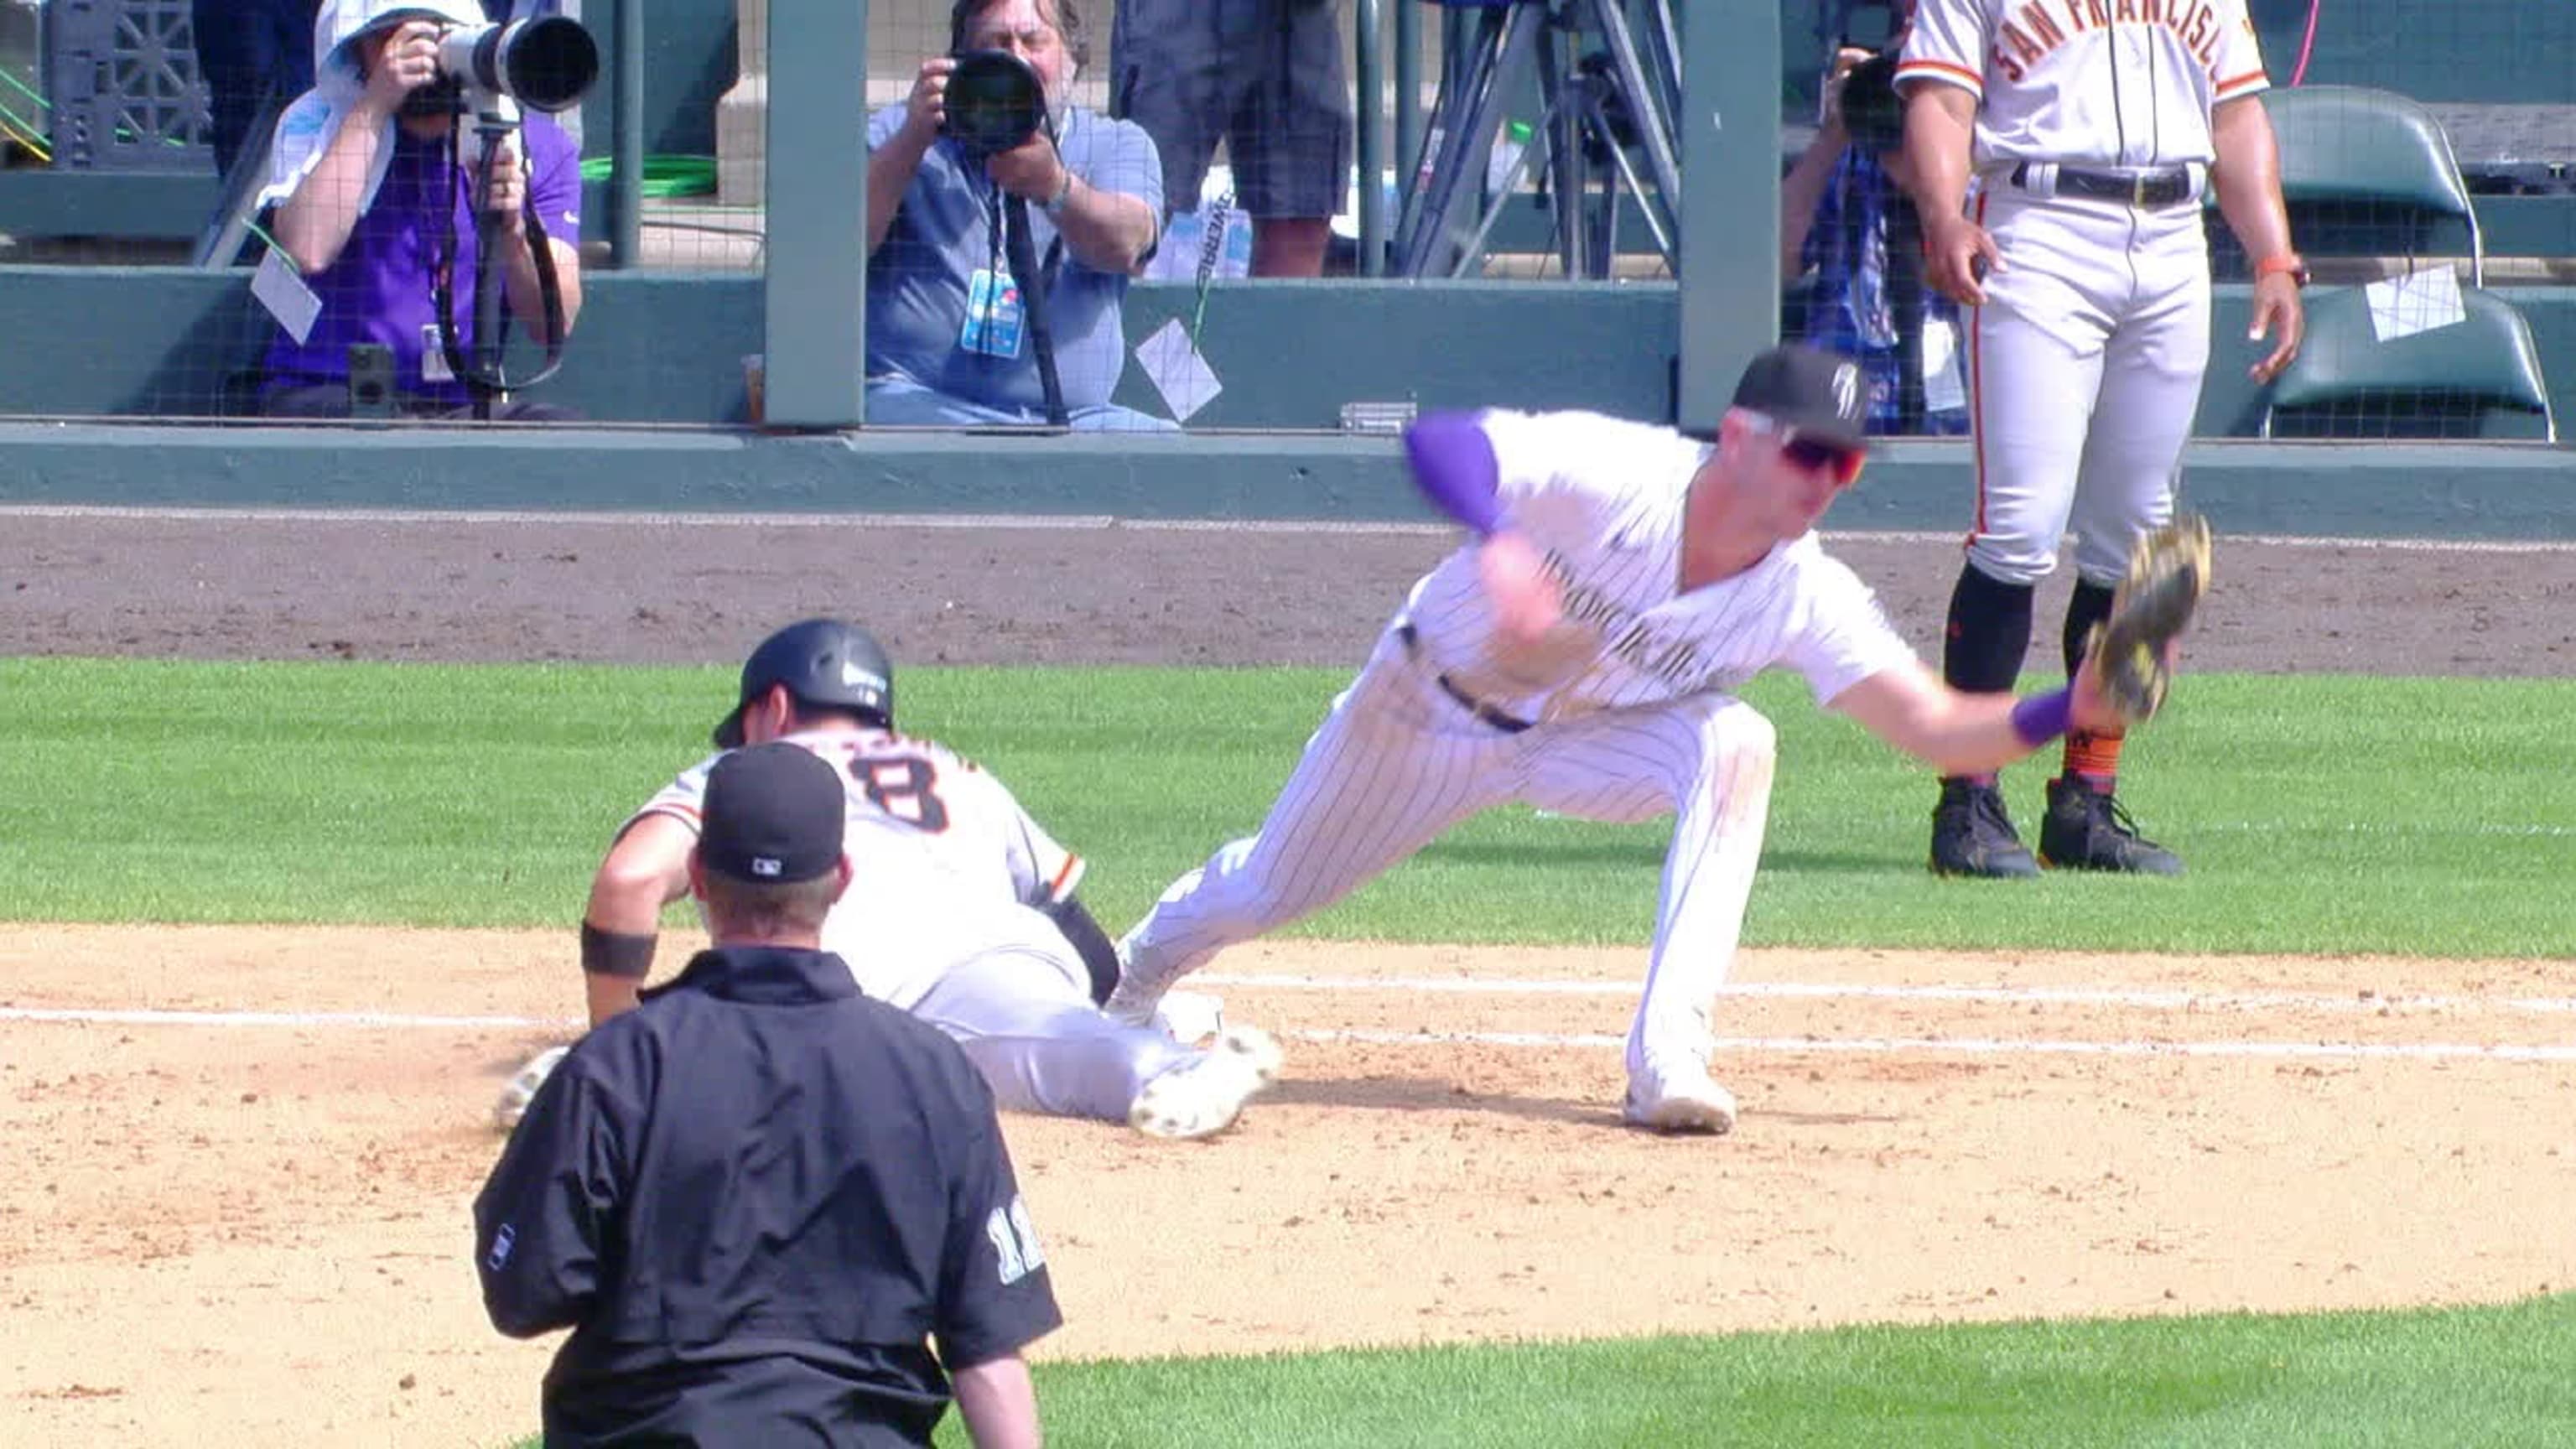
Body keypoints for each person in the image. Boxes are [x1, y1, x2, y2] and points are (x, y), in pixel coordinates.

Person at [1104, 344, 2165, 1136]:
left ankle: (1669, 1056)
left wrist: (2062, 711)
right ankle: (1129, 978)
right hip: (1425, 712)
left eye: (1844, 467)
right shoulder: (1622, 471)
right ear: (1742, 437)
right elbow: (1442, 443)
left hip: (1586, 741)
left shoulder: (1805, 593)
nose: (1825, 480)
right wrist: (1505, 541)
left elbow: (1935, 729)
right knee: (1265, 892)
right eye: (1809, 453)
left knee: (1736, 742)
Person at [497, 617, 1281, 1141]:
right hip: (1007, 955)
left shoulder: (755, 767)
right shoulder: (956, 769)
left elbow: (630, 882)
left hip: (850, 982)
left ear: (771, 709)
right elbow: (1077, 931)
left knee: (748, 1043)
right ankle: (1171, 1065)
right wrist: (1119, 1011)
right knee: (1066, 1049)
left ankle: (615, 1073)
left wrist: (609, 1043)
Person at [475, 743, 1058, 1446]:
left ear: (695, 878)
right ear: (841, 879)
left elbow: (525, 1295)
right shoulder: (935, 1076)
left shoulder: (615, 1068)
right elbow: (988, 1348)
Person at [1894, 0, 2303, 876]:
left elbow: (2235, 117)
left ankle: (2087, 802)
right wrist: (1943, 215)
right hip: (2037, 231)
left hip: (2172, 238)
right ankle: (1967, 802)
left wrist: (2271, 255)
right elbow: (1940, 98)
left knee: (2137, 544)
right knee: (2020, 527)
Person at [252, 0, 584, 419]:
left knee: (555, 428)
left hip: (459, 400)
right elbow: (309, 248)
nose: (416, 57)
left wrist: (515, 231)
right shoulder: (317, 122)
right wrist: (373, 106)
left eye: (433, 33)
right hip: (331, 390)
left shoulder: (535, 147)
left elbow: (554, 323)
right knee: (381, 428)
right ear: (353, 51)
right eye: (390, 39)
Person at [865, 0, 1168, 430]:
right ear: (960, 61)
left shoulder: (1116, 143)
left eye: (1033, 41)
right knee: (874, 416)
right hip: (919, 404)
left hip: (1072, 419)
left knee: (1166, 451)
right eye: (996, 43)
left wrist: (1056, 188)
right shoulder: (903, 129)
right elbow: (840, 244)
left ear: (1072, 57)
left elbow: (1125, 245)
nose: (1016, 57)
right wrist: (912, 142)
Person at [1779, 21, 1968, 436]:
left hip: (1963, 422)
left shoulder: (1990, 172)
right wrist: (1838, 129)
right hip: (1840, 417)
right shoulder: (1849, 164)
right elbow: (1778, 260)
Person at [1110, 0, 1350, 278]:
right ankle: (1105, 321)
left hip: (1298, 15)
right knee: (1131, 220)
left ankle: (1282, 323)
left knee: (1299, 220)